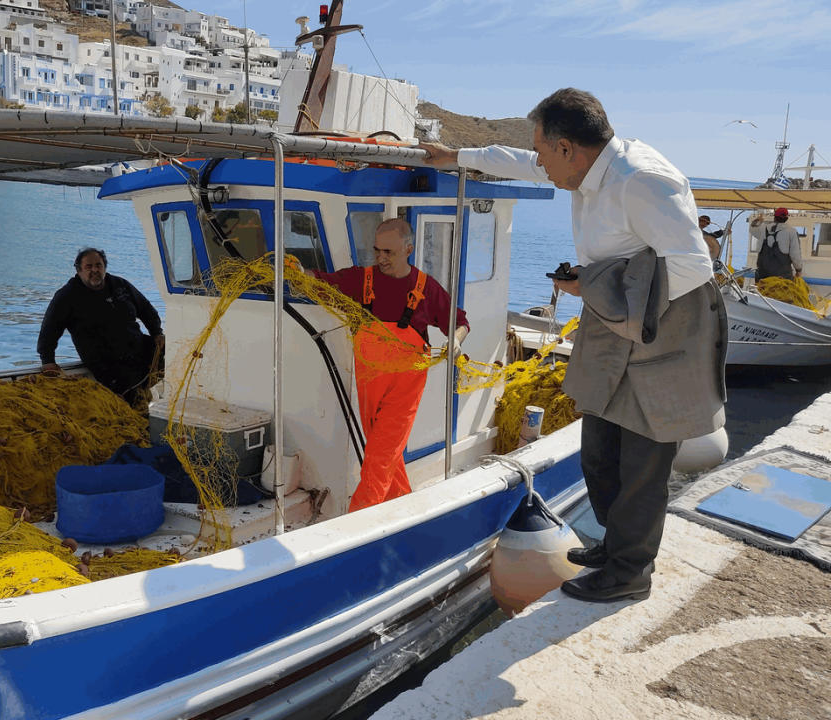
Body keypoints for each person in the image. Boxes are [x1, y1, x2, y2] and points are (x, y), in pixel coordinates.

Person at [422, 88, 726, 603]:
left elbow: (694, 265)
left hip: (666, 323)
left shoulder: (643, 180)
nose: (539, 161)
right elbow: (518, 161)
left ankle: (630, 573)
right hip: (616, 316)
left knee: (644, 456)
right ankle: (613, 545)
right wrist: (456, 158)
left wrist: (602, 289)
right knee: (600, 445)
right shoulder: (584, 166)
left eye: (544, 151)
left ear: (567, 147)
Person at [309, 218, 469, 512]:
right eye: (377, 251)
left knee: (381, 454)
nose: (381, 258)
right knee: (381, 449)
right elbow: (317, 280)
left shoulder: (425, 287)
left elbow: (459, 322)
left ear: (408, 249)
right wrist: (292, 271)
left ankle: (357, 521)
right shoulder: (361, 279)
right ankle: (401, 505)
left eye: (389, 252)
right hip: (370, 379)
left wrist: (456, 340)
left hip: (406, 384)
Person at [38, 248, 164, 404]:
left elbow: (146, 310)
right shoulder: (67, 296)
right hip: (106, 362)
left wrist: (157, 332)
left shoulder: (120, 285)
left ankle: (149, 395)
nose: (95, 270)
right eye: (88, 267)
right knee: (132, 397)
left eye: (99, 265)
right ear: (79, 271)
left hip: (137, 348)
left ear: (105, 267)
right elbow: (49, 330)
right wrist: (47, 360)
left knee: (174, 354)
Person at [750, 207, 803, 280]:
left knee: (760, 291)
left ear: (774, 217)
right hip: (782, 277)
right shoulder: (792, 232)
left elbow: (752, 229)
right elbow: (795, 254)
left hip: (762, 275)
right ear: (786, 218)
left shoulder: (763, 229)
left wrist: (758, 219)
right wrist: (798, 269)